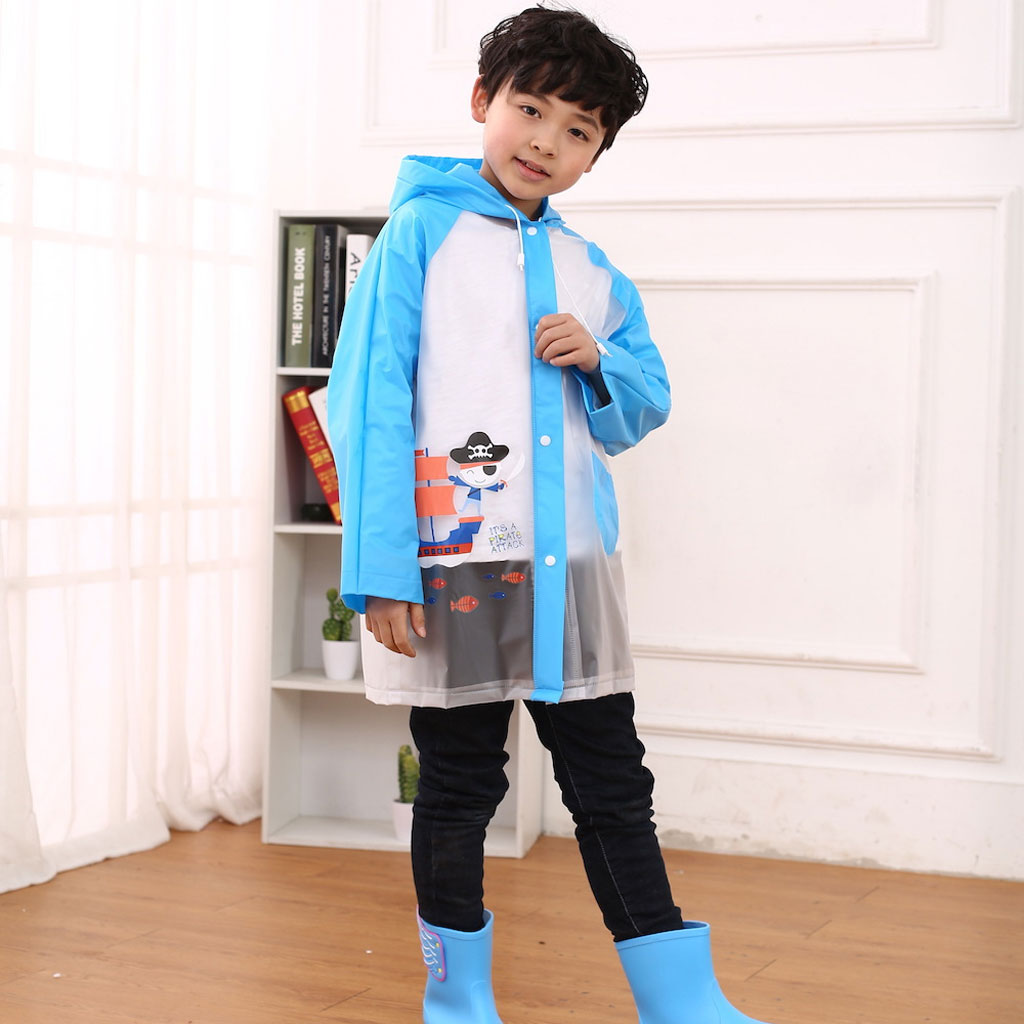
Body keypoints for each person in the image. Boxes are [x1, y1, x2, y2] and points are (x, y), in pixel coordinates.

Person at [326, 7, 774, 1023]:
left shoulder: (593, 269)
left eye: (578, 130)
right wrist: (380, 570)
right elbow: (368, 400)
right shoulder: (417, 237)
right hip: (452, 567)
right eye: (529, 109)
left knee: (613, 781)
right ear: (482, 101)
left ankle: (681, 1000)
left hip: (571, 570)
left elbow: (646, 401)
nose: (545, 141)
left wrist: (598, 358)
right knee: (458, 785)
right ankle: (457, 1001)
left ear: (596, 153)